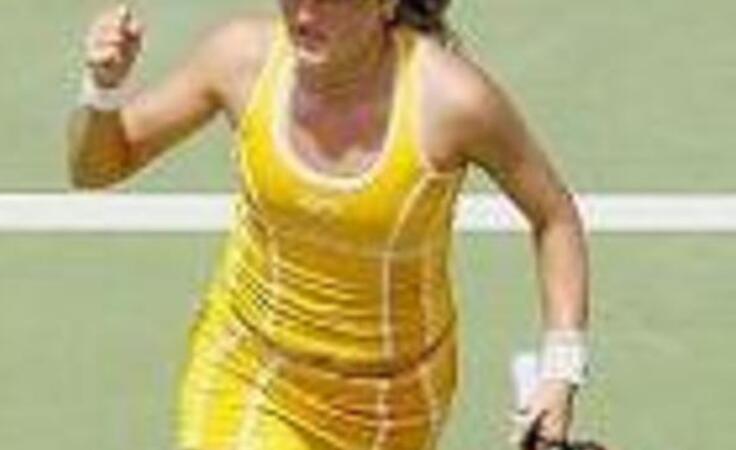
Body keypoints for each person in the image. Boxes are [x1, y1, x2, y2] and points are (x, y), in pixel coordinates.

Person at [68, 1, 590, 449]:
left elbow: (554, 217)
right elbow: (98, 167)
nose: (304, 15)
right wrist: (103, 90)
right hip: (251, 369)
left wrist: (560, 371)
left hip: (394, 401)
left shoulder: (452, 102)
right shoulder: (241, 60)